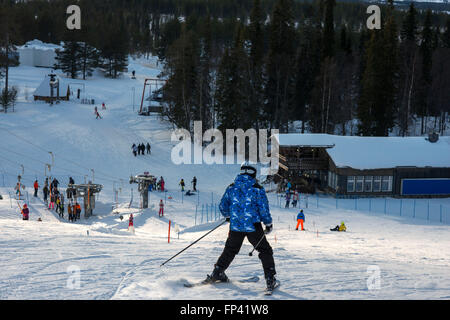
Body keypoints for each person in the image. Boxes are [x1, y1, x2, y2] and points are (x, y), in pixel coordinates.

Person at [207, 162, 277, 292]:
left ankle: (218, 272)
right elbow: (263, 209)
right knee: (265, 250)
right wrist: (268, 224)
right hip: (253, 226)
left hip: (236, 226)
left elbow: (223, 205)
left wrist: (229, 216)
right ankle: (270, 278)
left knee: (230, 250)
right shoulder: (257, 188)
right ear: (254, 173)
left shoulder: (232, 187)